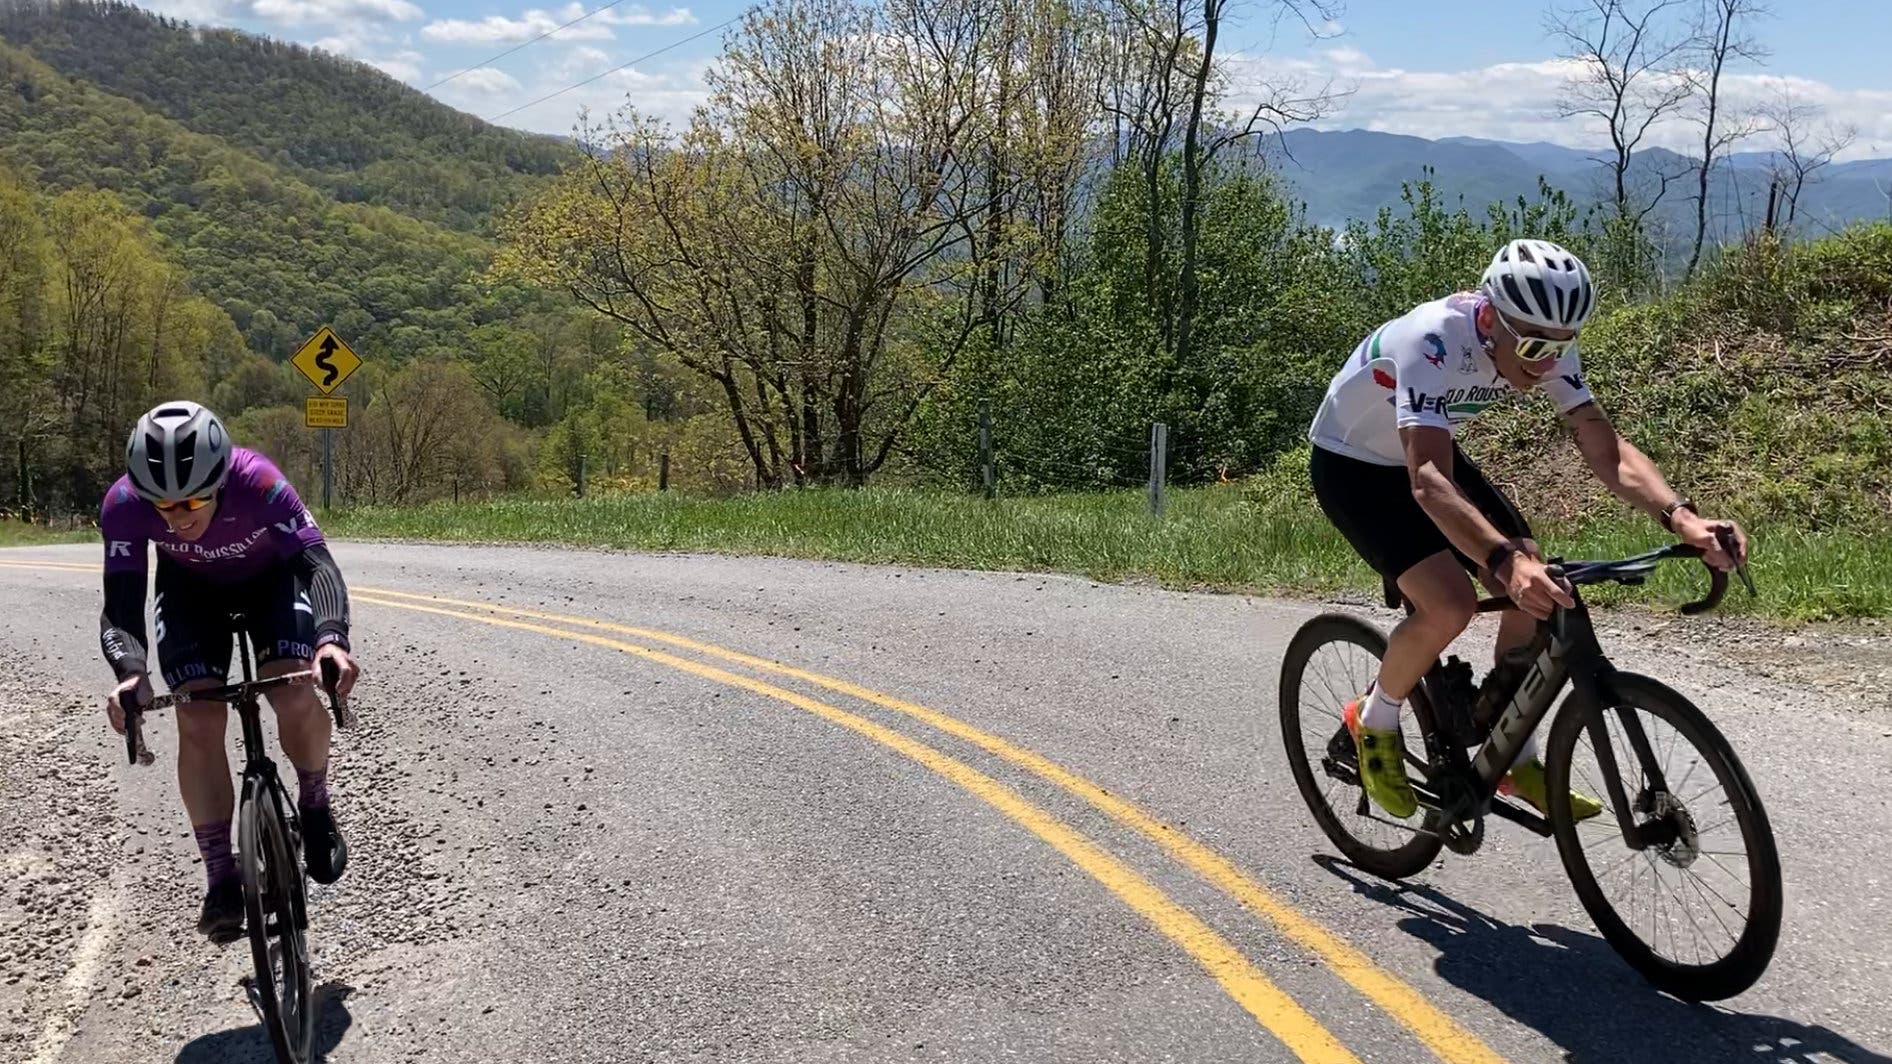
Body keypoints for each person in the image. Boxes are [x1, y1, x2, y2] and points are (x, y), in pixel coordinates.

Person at [1305, 238, 1748, 820]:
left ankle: (1515, 755)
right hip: (1354, 466)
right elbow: (1429, 482)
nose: (1546, 363)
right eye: (1535, 346)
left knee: (1538, 585)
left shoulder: (1544, 340)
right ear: (1489, 317)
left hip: (1426, 454)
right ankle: (1375, 718)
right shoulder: (1431, 341)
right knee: (1450, 604)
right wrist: (1503, 563)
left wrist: (1683, 518)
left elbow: (1602, 444)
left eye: (1562, 347)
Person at [98, 400, 360, 941]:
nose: (178, 516)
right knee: (196, 719)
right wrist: (129, 670)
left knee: (292, 691)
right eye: (162, 506)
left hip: (272, 582)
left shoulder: (258, 481)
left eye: (193, 500)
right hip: (190, 594)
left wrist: (330, 641)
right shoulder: (122, 505)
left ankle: (313, 805)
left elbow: (316, 564)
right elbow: (121, 606)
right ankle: (220, 876)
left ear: (219, 480)